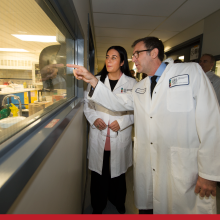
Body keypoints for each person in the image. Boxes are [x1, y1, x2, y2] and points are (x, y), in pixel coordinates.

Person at [67, 37, 220, 214]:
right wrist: (93, 80)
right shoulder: (141, 87)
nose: (134, 59)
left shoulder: (190, 72)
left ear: (154, 53)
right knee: (150, 207)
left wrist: (209, 173)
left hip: (183, 166)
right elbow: (116, 102)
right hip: (150, 164)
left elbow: (211, 121)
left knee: (181, 209)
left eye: (137, 54)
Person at [84, 46, 137, 214]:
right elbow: (87, 105)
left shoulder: (132, 83)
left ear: (122, 62)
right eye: (107, 56)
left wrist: (122, 122)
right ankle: (98, 205)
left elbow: (138, 111)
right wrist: (94, 118)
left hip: (119, 135)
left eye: (114, 57)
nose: (109, 60)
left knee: (118, 175)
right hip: (99, 134)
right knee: (98, 176)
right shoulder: (96, 80)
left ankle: (118, 202)